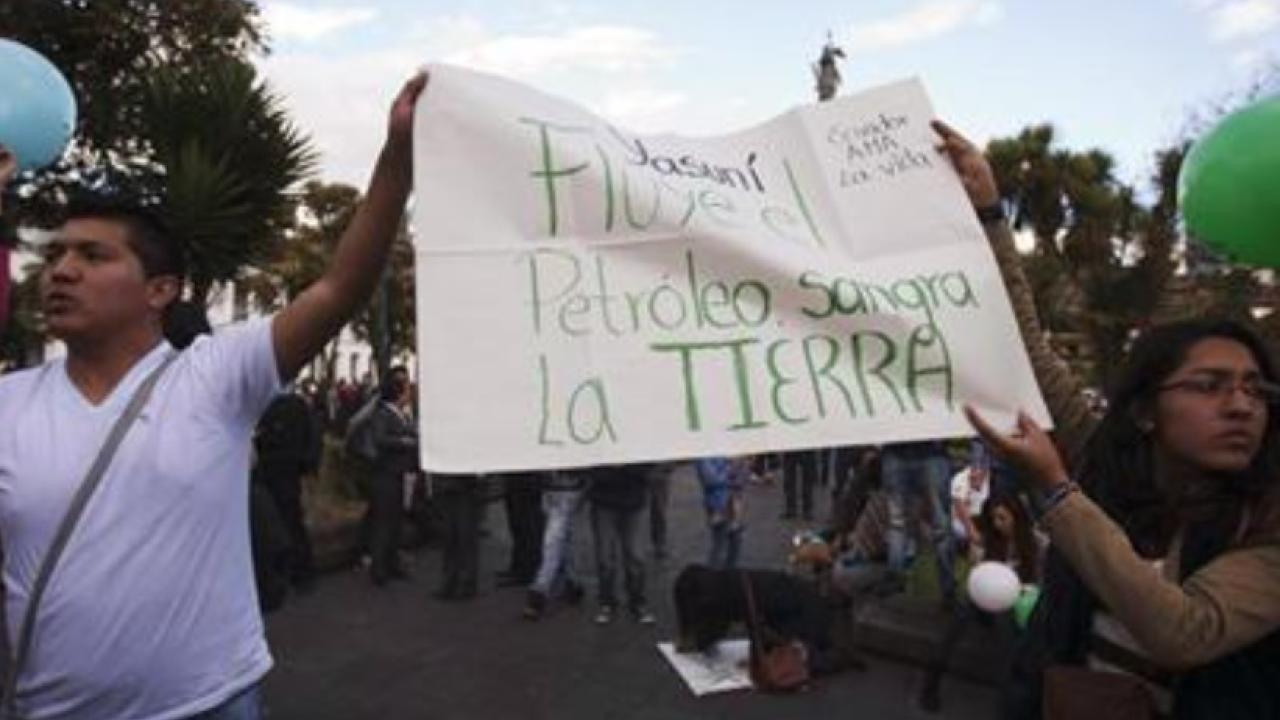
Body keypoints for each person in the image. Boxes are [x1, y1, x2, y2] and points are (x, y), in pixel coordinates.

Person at [0, 73, 427, 719]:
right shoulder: (9, 405)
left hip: (210, 702)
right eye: (57, 253)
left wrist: (398, 154)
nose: (61, 270)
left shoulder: (216, 376)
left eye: (92, 256)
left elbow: (339, 287)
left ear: (160, 290)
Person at [935, 119, 1280, 718]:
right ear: (1146, 411)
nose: (1241, 404)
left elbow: (1183, 628)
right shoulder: (1105, 457)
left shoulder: (1268, 520)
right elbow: (1027, 346)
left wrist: (1056, 489)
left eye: (1255, 388)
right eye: (1210, 385)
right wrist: (990, 215)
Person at [365, 365, 418, 587]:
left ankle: (392, 563)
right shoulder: (383, 413)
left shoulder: (399, 414)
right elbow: (380, 439)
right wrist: (404, 442)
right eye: (406, 391)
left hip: (398, 474)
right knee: (384, 523)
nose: (409, 395)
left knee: (395, 522)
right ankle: (379, 569)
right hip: (385, 475)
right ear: (398, 393)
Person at [586, 464, 656, 625]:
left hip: (634, 499)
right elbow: (589, 468)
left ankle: (637, 601)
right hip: (603, 499)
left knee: (635, 556)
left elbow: (650, 465)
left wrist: (625, 468)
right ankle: (607, 602)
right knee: (605, 557)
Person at [695, 456, 748, 569]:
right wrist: (731, 471)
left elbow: (742, 475)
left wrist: (738, 471)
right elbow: (710, 479)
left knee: (736, 543)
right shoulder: (704, 456)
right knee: (720, 545)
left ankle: (730, 575)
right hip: (717, 504)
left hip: (735, 502)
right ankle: (713, 578)